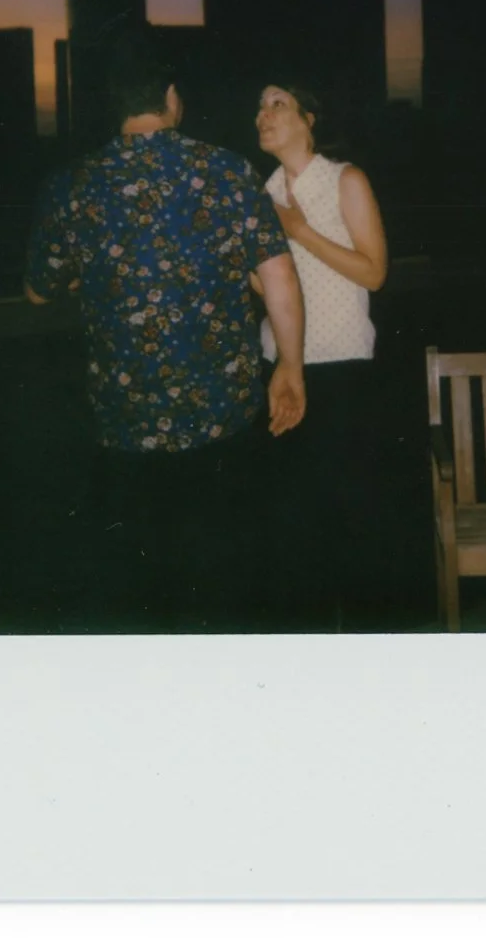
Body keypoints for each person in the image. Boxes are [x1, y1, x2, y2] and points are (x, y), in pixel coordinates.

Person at [24, 46, 306, 632]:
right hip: (223, 419)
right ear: (172, 101)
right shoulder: (228, 171)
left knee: (144, 595)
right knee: (228, 586)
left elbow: (38, 291)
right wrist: (290, 367)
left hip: (125, 430)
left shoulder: (73, 184)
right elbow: (279, 277)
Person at [253, 81, 389, 630]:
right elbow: (270, 289)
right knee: (293, 522)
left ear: (309, 119)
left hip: (342, 368)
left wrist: (301, 231)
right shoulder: (261, 192)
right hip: (282, 366)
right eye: (260, 107)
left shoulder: (344, 180)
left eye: (278, 104)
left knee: (348, 517)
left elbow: (374, 273)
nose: (264, 114)